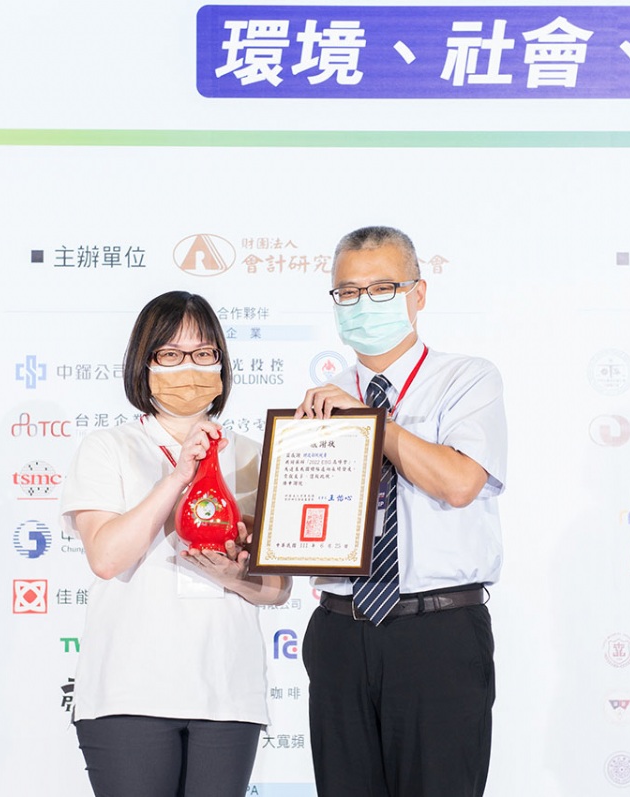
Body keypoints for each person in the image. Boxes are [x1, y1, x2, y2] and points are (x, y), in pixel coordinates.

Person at [295, 226, 507, 797]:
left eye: (382, 288)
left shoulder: (466, 379)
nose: (363, 304)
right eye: (348, 292)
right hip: (340, 631)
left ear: (418, 293)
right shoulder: (322, 400)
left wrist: (371, 422)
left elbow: (459, 483)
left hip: (436, 633)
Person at [61, 290, 291, 797]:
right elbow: (106, 557)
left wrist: (237, 578)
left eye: (204, 353)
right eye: (170, 354)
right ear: (143, 365)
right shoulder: (109, 447)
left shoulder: (254, 455)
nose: (190, 368)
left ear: (222, 364)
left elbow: (278, 588)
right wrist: (177, 477)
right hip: (130, 692)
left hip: (227, 692)